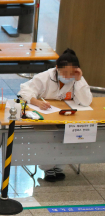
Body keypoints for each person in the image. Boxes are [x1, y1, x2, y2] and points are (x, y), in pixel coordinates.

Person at [18, 49, 92, 182]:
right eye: (64, 73)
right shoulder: (44, 77)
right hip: (46, 117)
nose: (68, 77)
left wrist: (79, 79)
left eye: (71, 74)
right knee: (49, 136)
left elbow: (86, 101)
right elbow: (24, 91)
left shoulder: (76, 78)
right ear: (57, 68)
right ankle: (47, 168)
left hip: (66, 116)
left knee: (70, 134)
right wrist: (37, 102)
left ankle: (59, 166)